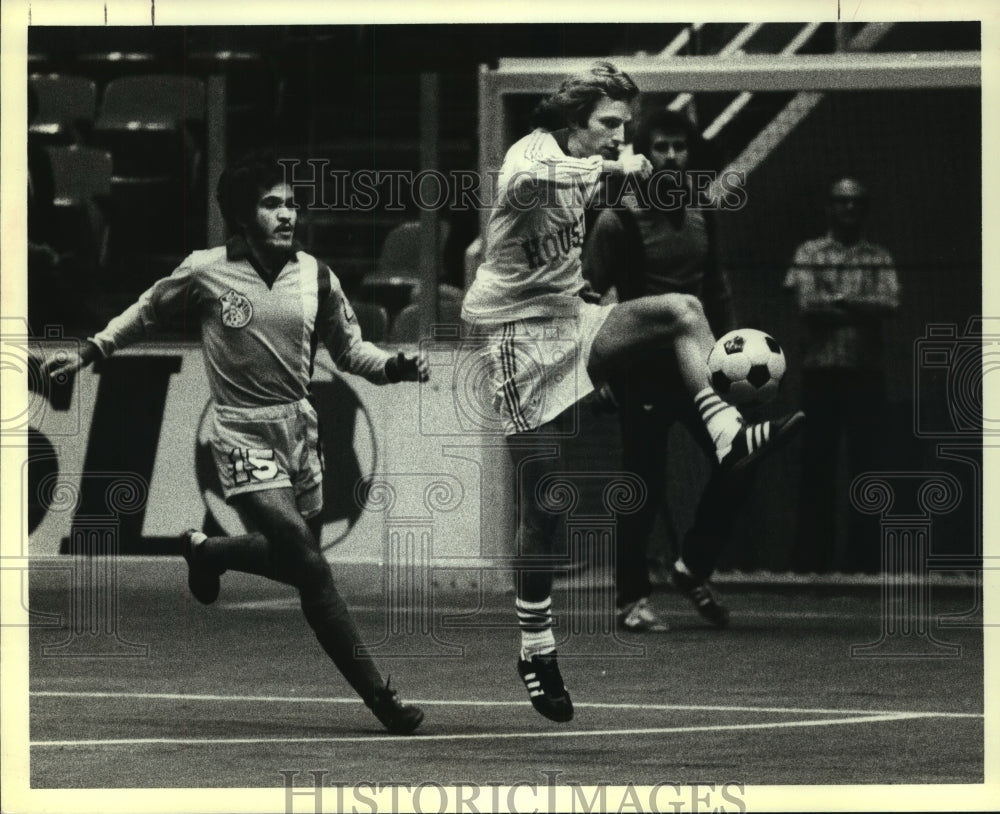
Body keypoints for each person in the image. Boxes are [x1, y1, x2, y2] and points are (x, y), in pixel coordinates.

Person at [461, 62, 804, 723]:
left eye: (624, 125)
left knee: (680, 307)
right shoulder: (531, 156)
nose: (619, 135)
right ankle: (536, 648)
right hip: (517, 345)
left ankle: (731, 435)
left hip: (574, 321)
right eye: (607, 124)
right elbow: (526, 183)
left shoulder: (602, 167)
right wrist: (610, 170)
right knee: (546, 508)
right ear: (572, 121)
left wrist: (611, 173)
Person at [43, 152, 430, 734]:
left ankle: (211, 552)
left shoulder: (317, 276)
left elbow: (352, 353)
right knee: (309, 563)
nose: (286, 214)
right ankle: (381, 698)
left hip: (299, 429)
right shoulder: (206, 271)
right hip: (239, 430)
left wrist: (396, 364)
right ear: (242, 216)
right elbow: (145, 313)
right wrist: (88, 353)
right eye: (272, 204)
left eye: (292, 203)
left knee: (299, 564)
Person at [582, 108, 744, 632]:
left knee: (740, 457)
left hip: (697, 367)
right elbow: (586, 300)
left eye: (680, 147)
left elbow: (715, 291)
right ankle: (631, 600)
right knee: (643, 483)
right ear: (642, 155)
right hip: (640, 370)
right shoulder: (617, 220)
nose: (671, 156)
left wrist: (734, 358)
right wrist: (595, 373)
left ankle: (692, 566)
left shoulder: (703, 211)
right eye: (661, 147)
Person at [784, 177, 899, 574]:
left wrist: (840, 300)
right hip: (821, 374)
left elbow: (890, 303)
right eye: (841, 202)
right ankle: (809, 565)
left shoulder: (879, 256)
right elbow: (807, 305)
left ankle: (865, 566)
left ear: (864, 209)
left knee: (867, 469)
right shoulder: (809, 252)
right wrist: (858, 309)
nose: (849, 210)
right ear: (830, 207)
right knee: (817, 468)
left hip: (866, 374)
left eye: (857, 203)